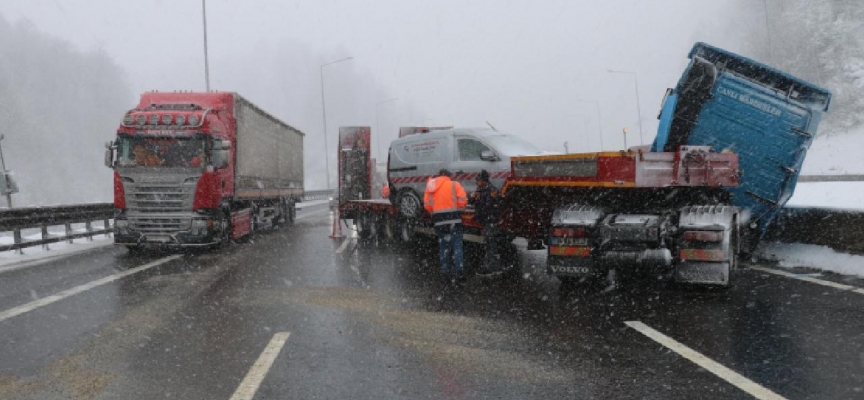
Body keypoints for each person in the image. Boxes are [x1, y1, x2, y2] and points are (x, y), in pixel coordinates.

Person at [424, 169, 468, 281]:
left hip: (439, 221)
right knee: (457, 246)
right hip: (453, 220)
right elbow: (463, 201)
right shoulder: (454, 184)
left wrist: (436, 212)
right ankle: (459, 271)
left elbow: (427, 205)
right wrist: (457, 209)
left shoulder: (431, 186)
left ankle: (445, 270)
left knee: (443, 246)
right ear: (448, 176)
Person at [471, 170, 503, 277]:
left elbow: (491, 206)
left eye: (478, 181)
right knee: (489, 244)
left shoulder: (492, 191)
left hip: (491, 221)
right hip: (486, 221)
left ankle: (489, 267)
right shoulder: (480, 190)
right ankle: (495, 266)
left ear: (484, 181)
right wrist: (473, 197)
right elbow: (473, 203)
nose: (476, 183)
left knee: (490, 244)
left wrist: (482, 200)